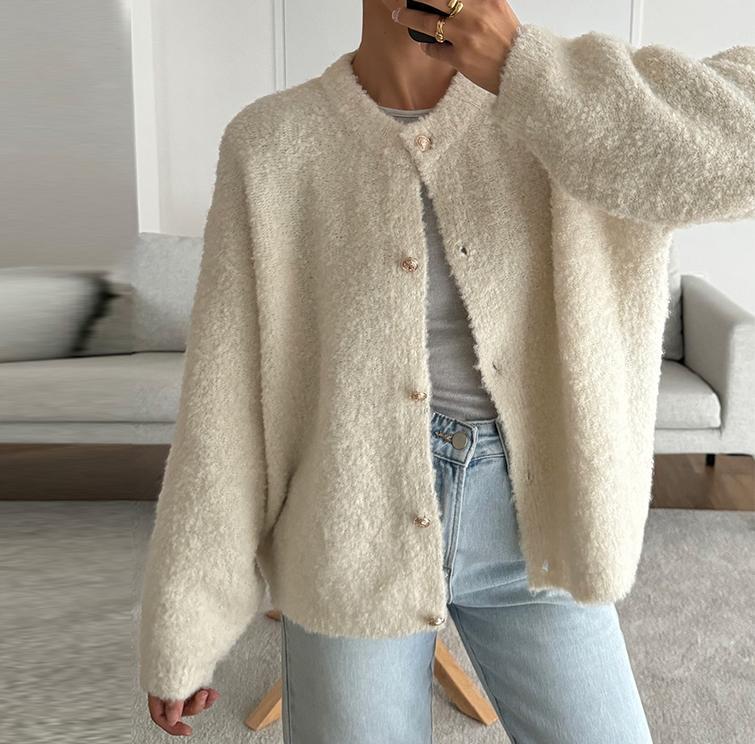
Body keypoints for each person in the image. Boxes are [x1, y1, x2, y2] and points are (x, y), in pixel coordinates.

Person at [138, 1, 755, 741]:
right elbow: (224, 400)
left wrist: (528, 70)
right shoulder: (272, 141)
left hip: (538, 526)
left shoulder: (575, 104)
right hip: (347, 527)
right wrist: (186, 620)